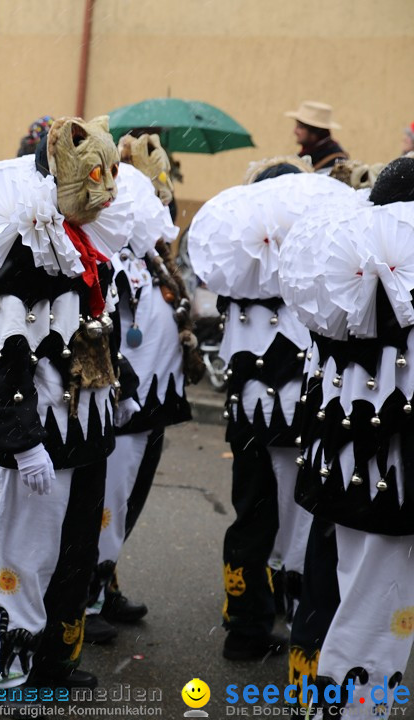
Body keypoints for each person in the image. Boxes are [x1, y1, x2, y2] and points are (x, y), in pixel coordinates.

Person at [0, 116, 122, 708]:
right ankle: (4, 676)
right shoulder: (20, 258)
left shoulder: (87, 250)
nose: (107, 191)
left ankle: (52, 660)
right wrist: (22, 442)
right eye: (95, 175)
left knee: (73, 556)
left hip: (85, 435)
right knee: (18, 559)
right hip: (41, 438)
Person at [188, 157, 349, 661]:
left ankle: (247, 623)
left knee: (254, 514)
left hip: (249, 408)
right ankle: (298, 627)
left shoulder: (237, 264)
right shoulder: (304, 260)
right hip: (294, 408)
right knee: (301, 515)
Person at [280, 156, 414, 717]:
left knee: (355, 601)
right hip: (387, 476)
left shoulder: (340, 276)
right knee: (374, 617)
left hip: (346, 466)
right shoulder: (392, 286)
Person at [82, 136, 203, 645]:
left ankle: (104, 582)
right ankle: (82, 600)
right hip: (122, 405)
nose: (163, 208)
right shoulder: (108, 262)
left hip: (153, 402)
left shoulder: (155, 263)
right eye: (154, 200)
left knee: (127, 502)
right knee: (107, 502)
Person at [284, 101, 348, 172]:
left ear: (315, 131)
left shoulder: (336, 162)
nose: (295, 131)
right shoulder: (309, 153)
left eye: (300, 127)